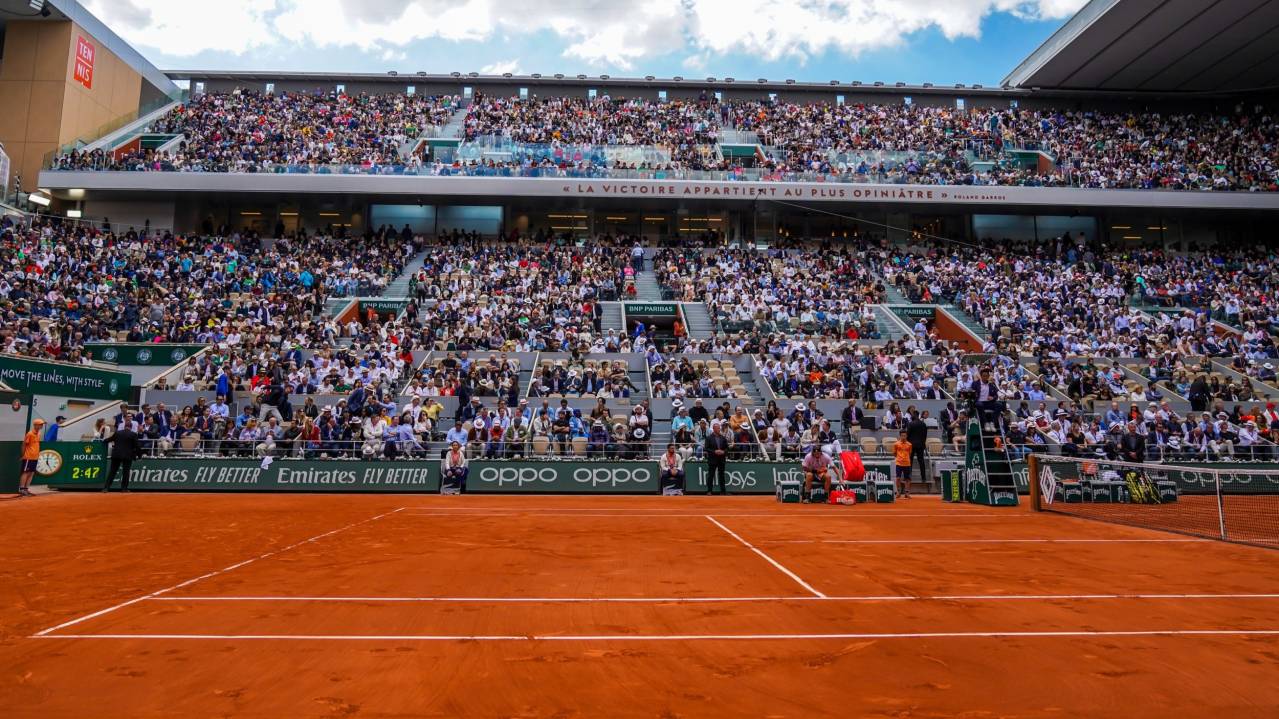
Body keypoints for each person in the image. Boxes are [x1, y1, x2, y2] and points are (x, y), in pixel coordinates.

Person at [101, 422, 143, 493]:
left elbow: (109, 439)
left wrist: (103, 441)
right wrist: (139, 456)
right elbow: (137, 446)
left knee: (112, 472)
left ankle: (106, 488)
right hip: (127, 456)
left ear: (124, 426)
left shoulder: (118, 433)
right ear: (131, 427)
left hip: (116, 455)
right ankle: (124, 489)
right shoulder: (133, 434)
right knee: (126, 472)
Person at [18, 419, 44, 496]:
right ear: (35, 425)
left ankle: (26, 489)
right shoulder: (30, 434)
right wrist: (23, 455)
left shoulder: (39, 434)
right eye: (40, 424)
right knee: (25, 472)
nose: (41, 426)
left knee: (31, 473)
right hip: (28, 457)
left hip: (35, 457)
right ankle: (22, 489)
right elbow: (24, 445)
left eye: (42, 424)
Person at [703, 422, 730, 495]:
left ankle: (723, 491)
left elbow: (727, 448)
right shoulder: (708, 438)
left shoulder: (723, 438)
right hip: (712, 459)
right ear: (714, 429)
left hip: (721, 459)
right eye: (718, 428)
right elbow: (706, 448)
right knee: (711, 475)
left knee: (721, 475)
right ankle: (709, 491)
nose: (719, 429)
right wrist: (714, 451)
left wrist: (723, 452)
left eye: (719, 428)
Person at [906, 410, 930, 485]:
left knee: (910, 461)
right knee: (921, 461)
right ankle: (924, 478)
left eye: (912, 415)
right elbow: (925, 436)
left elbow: (907, 435)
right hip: (921, 445)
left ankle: (908, 477)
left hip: (911, 445)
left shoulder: (910, 424)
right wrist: (922, 443)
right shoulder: (923, 424)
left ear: (914, 415)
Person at [893, 429, 913, 498]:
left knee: (907, 479)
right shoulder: (896, 444)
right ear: (900, 436)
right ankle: (898, 492)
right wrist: (899, 458)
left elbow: (910, 453)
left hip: (907, 463)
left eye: (904, 435)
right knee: (898, 478)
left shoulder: (909, 444)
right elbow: (894, 453)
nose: (903, 437)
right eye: (902, 436)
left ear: (906, 436)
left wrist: (905, 458)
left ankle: (907, 493)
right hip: (899, 463)